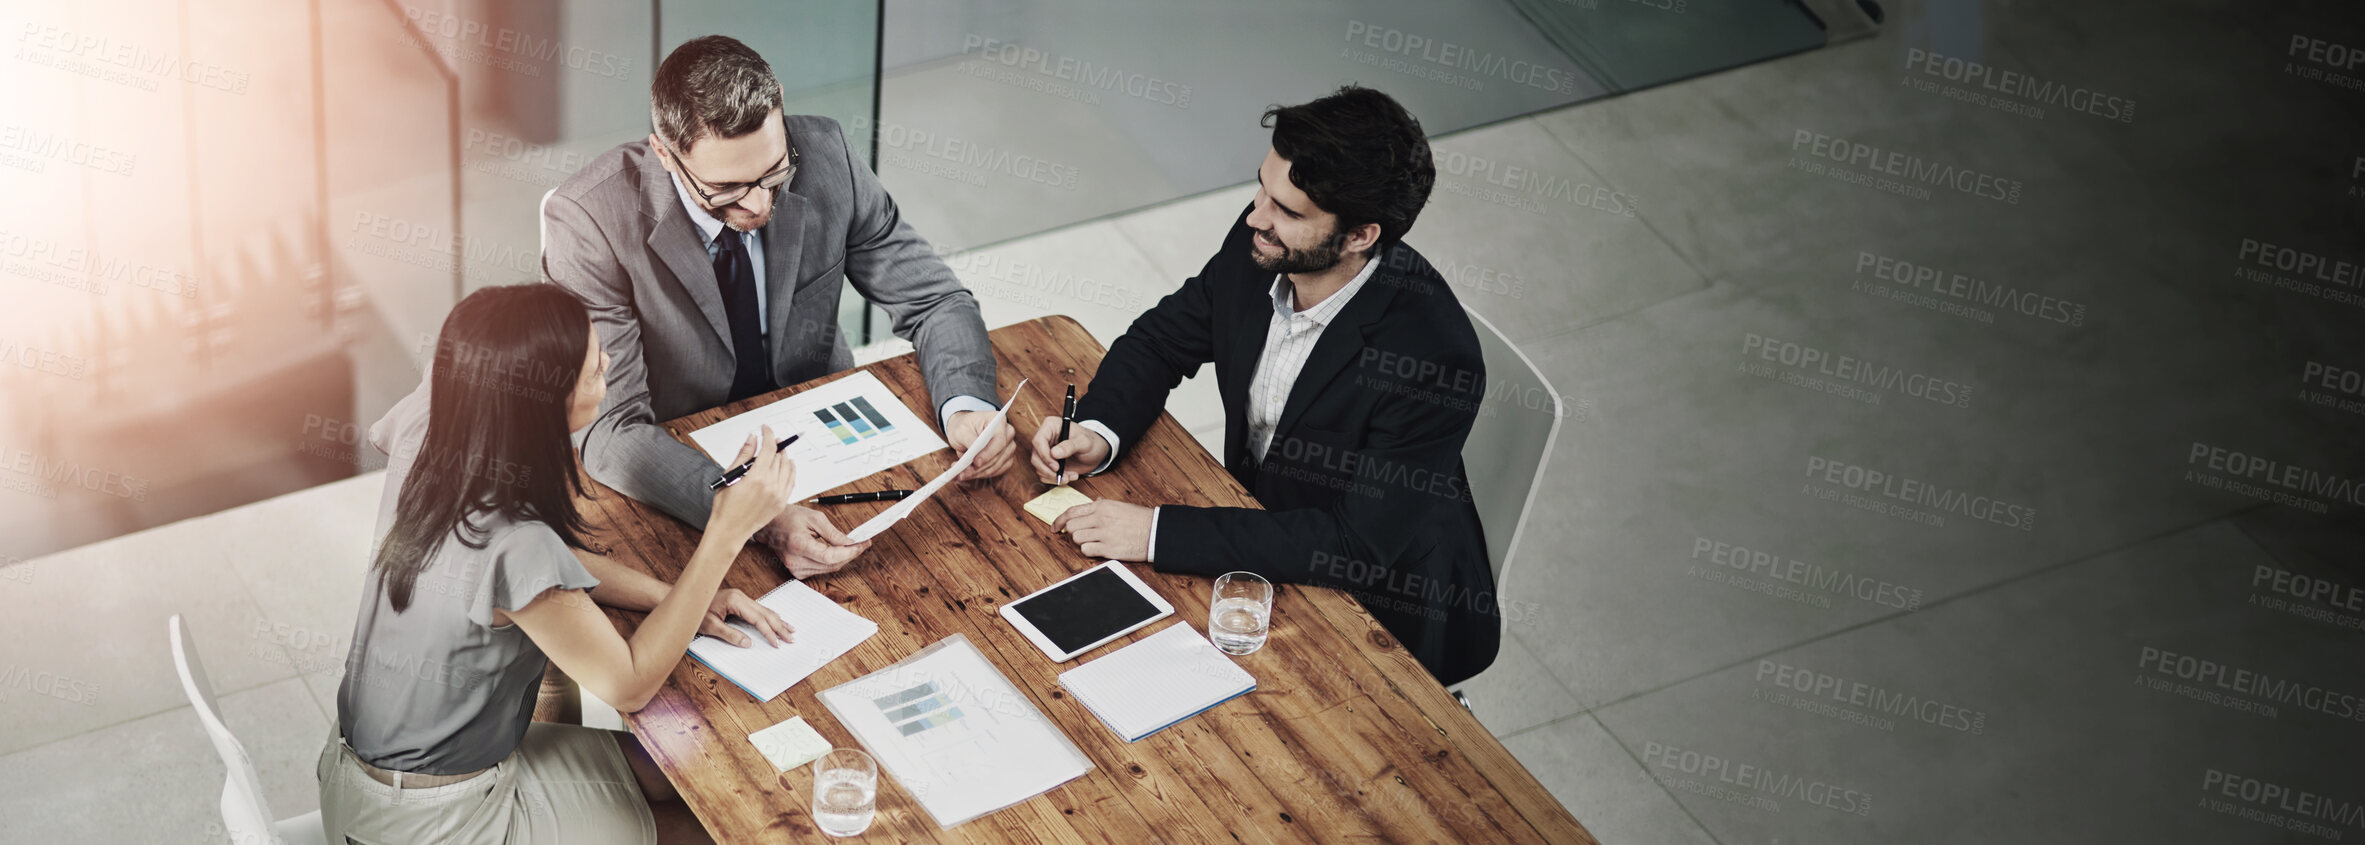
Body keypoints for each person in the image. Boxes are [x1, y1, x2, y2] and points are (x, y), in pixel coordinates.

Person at [1028, 86, 1499, 685]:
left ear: (1360, 236)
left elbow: (1353, 547)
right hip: (1255, 538)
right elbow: (1162, 339)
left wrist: (1155, 531)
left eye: (1289, 212)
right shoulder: (1265, 244)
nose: (1256, 216)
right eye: (1263, 189)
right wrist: (1099, 429)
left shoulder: (1435, 359)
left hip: (1380, 615)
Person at [318, 285, 799, 844]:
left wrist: (675, 598)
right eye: (594, 370)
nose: (608, 365)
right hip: (429, 822)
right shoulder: (514, 544)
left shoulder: (436, 419)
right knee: (712, 832)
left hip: (371, 777)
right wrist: (727, 531)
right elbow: (630, 685)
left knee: (675, 771)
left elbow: (541, 567)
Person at [544, 35, 1015, 580]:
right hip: (683, 468)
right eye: (726, 190)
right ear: (664, 154)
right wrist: (759, 517)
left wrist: (966, 405)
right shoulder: (590, 221)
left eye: (773, 172)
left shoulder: (828, 153)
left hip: (829, 439)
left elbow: (933, 297)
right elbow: (613, 431)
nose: (760, 204)